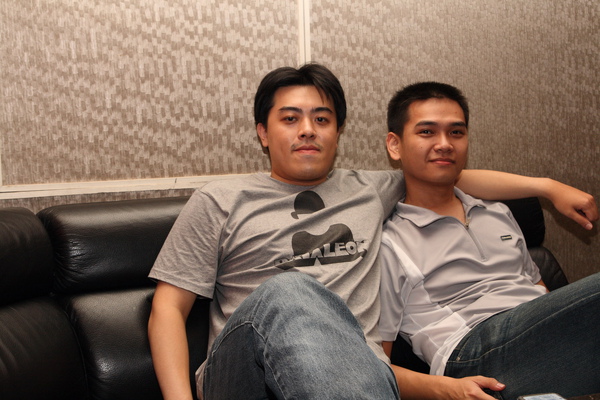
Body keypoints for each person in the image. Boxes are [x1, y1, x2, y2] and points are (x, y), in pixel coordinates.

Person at [147, 63, 598, 400]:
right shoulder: (221, 199)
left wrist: (547, 188)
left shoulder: (367, 189)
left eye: (322, 119)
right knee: (292, 290)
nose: (308, 131)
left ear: (338, 132)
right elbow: (167, 308)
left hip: (358, 377)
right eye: (290, 119)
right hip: (245, 375)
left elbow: (447, 171)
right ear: (263, 133)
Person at [379, 81, 600, 400]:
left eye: (456, 132)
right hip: (470, 352)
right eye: (427, 132)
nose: (445, 144)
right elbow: (375, 364)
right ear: (395, 145)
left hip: (533, 334)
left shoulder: (497, 212)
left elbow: (542, 298)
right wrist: (447, 390)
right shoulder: (389, 241)